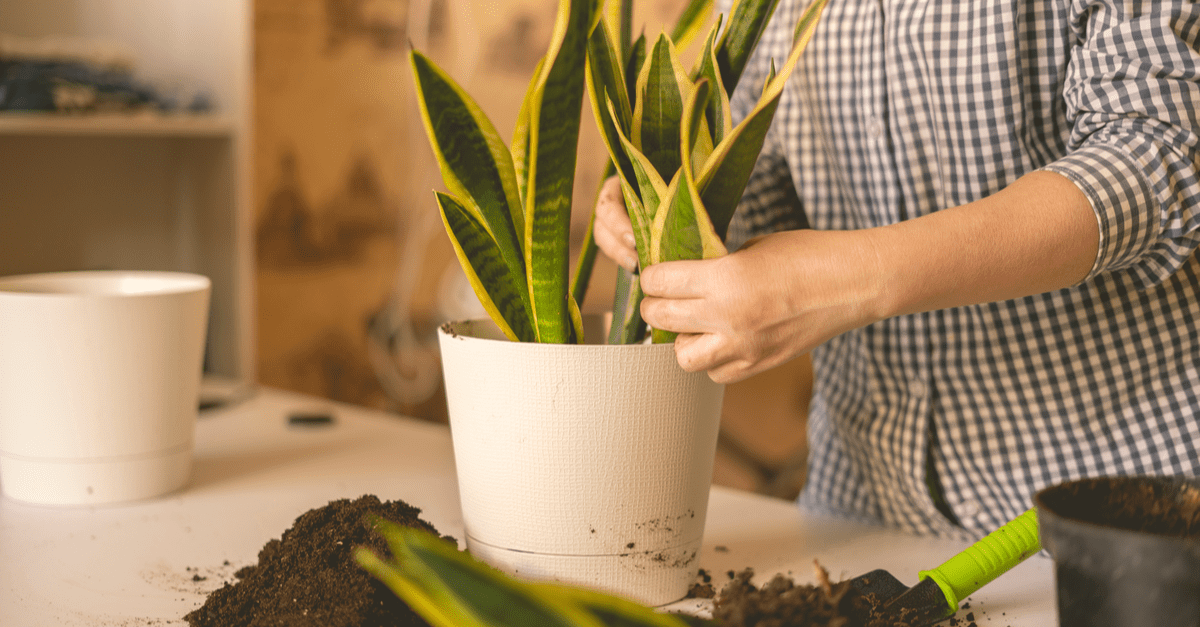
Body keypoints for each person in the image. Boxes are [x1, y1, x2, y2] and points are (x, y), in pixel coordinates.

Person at [592, 0, 1200, 539]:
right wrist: (666, 205)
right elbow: (762, 180)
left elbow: (1154, 158)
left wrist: (849, 280)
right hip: (859, 503)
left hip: (1119, 504)